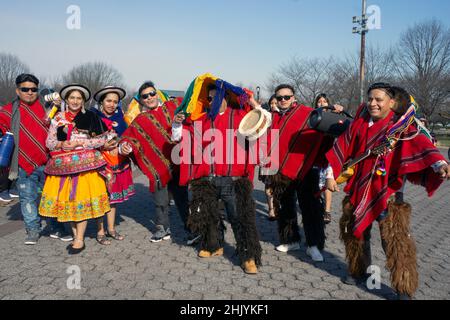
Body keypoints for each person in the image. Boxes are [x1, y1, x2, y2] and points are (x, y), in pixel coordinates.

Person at [326, 82, 449, 299]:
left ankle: (404, 287)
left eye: (378, 100)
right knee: (355, 233)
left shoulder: (401, 126)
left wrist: (439, 164)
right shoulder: (359, 123)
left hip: (388, 191)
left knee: (394, 240)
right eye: (370, 99)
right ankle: (358, 271)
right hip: (360, 187)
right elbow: (342, 146)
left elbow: (421, 144)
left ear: (391, 103)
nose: (373, 103)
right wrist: (329, 174)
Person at [172, 81, 262, 274]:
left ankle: (248, 256)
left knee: (239, 217)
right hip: (208, 178)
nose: (211, 101)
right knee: (210, 215)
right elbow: (181, 137)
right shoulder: (202, 120)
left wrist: (254, 104)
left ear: (225, 98)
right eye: (209, 98)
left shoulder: (241, 117)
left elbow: (262, 124)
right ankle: (214, 245)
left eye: (215, 98)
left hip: (234, 179)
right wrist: (177, 123)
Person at [260, 85, 336, 262]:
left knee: (310, 209)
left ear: (293, 97)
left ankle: (314, 245)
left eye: (287, 97)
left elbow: (326, 133)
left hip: (306, 169)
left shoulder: (308, 113)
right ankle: (290, 239)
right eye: (280, 98)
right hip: (281, 171)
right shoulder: (273, 118)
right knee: (285, 207)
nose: (283, 101)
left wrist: (335, 114)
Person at [39, 84, 115, 254]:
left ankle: (79, 239)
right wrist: (61, 143)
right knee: (71, 203)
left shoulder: (91, 117)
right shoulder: (58, 118)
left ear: (83, 101)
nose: (75, 101)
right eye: (72, 98)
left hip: (86, 168)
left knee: (80, 200)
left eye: (78, 98)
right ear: (66, 100)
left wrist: (80, 143)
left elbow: (103, 139)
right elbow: (49, 143)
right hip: (63, 168)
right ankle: (76, 236)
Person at [119, 81, 193, 244]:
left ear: (157, 93)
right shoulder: (140, 120)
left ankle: (191, 228)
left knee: (182, 198)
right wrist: (124, 147)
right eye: (145, 96)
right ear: (141, 100)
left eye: (152, 93)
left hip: (178, 163)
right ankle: (162, 228)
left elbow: (192, 104)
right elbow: (128, 138)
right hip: (158, 168)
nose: (150, 97)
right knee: (161, 201)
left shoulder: (173, 106)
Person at [0, 74, 49, 245]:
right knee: (27, 199)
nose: (29, 92)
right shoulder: (7, 111)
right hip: (22, 165)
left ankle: (57, 226)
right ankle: (33, 229)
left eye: (33, 89)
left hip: (47, 163)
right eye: (25, 89)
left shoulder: (47, 108)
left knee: (50, 198)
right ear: (17, 90)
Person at [92, 86, 136, 245]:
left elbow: (127, 137)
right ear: (102, 101)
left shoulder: (122, 118)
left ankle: (111, 229)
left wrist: (126, 146)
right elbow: (87, 141)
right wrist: (102, 145)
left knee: (113, 200)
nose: (112, 104)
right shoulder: (93, 117)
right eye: (108, 101)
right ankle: (100, 230)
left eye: (115, 102)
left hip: (118, 163)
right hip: (100, 164)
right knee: (102, 198)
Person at [313, 93, 336, 225]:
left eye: (324, 101)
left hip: (329, 156)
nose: (322, 103)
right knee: (316, 184)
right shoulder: (314, 116)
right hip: (315, 156)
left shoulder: (334, 116)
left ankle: (327, 210)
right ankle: (317, 205)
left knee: (327, 183)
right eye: (319, 101)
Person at [259, 95, 278, 221]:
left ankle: (276, 206)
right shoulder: (266, 117)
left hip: (279, 155)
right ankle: (271, 208)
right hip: (266, 154)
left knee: (278, 184)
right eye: (271, 103)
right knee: (268, 184)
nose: (274, 105)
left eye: (275, 103)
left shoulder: (284, 118)